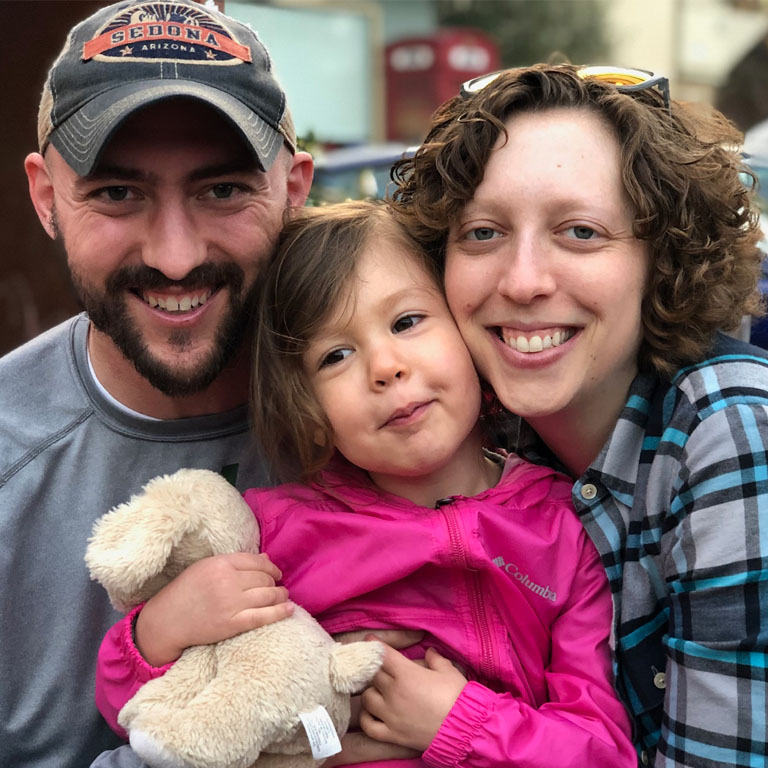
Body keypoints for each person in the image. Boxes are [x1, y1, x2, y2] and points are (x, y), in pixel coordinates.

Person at [94, 201, 637, 768]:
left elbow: (604, 752)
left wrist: (456, 722)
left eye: (407, 322)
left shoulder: (561, 529)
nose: (385, 366)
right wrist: (158, 632)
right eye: (335, 356)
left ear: (468, 329)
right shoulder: (277, 536)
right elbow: (139, 713)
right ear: (304, 404)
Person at [390, 63, 768, 767]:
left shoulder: (729, 432)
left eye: (581, 232)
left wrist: (462, 728)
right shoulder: (470, 430)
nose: (524, 280)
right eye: (481, 233)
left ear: (664, 258)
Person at [0, 2, 314, 766]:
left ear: (295, 187)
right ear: (46, 198)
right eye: (117, 194)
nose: (175, 258)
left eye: (223, 191)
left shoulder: (408, 412)